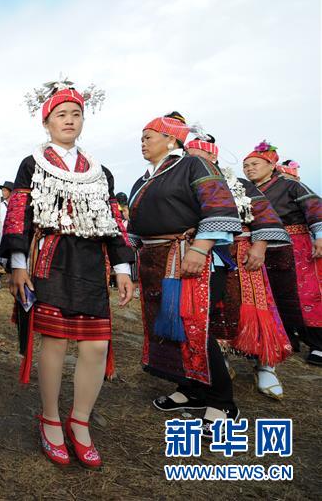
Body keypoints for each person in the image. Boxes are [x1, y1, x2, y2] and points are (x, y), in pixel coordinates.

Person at [2, 78, 134, 468]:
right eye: (61, 114)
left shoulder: (99, 171)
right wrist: (18, 265)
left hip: (91, 263)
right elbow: (18, 215)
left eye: (76, 114)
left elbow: (113, 221)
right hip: (51, 259)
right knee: (56, 343)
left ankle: (80, 422)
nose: (69, 120)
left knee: (94, 345)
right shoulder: (33, 163)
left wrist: (123, 267)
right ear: (46, 122)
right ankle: (49, 418)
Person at [128, 112, 241, 438]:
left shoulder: (193, 165)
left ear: (171, 139)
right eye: (142, 137)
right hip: (154, 259)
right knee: (168, 325)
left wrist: (200, 248)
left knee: (194, 326)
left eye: (148, 136)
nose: (143, 142)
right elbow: (135, 224)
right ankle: (189, 388)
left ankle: (222, 401)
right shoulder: (145, 178)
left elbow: (219, 207)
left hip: (188, 256)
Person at [185, 136, 292, 399]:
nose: (191, 162)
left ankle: (265, 364)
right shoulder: (185, 184)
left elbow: (265, 213)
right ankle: (220, 358)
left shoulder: (240, 184)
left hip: (242, 253)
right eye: (188, 157)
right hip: (204, 254)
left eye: (198, 157)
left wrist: (260, 245)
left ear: (212, 158)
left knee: (254, 308)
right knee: (212, 307)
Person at [244, 140, 322, 366]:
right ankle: (285, 338)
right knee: (268, 292)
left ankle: (318, 344)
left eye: (255, 164)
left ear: (271, 165)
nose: (249, 168)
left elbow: (315, 208)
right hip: (261, 244)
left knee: (306, 293)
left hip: (296, 244)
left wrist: (319, 236)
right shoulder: (246, 191)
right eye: (246, 165)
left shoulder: (291, 185)